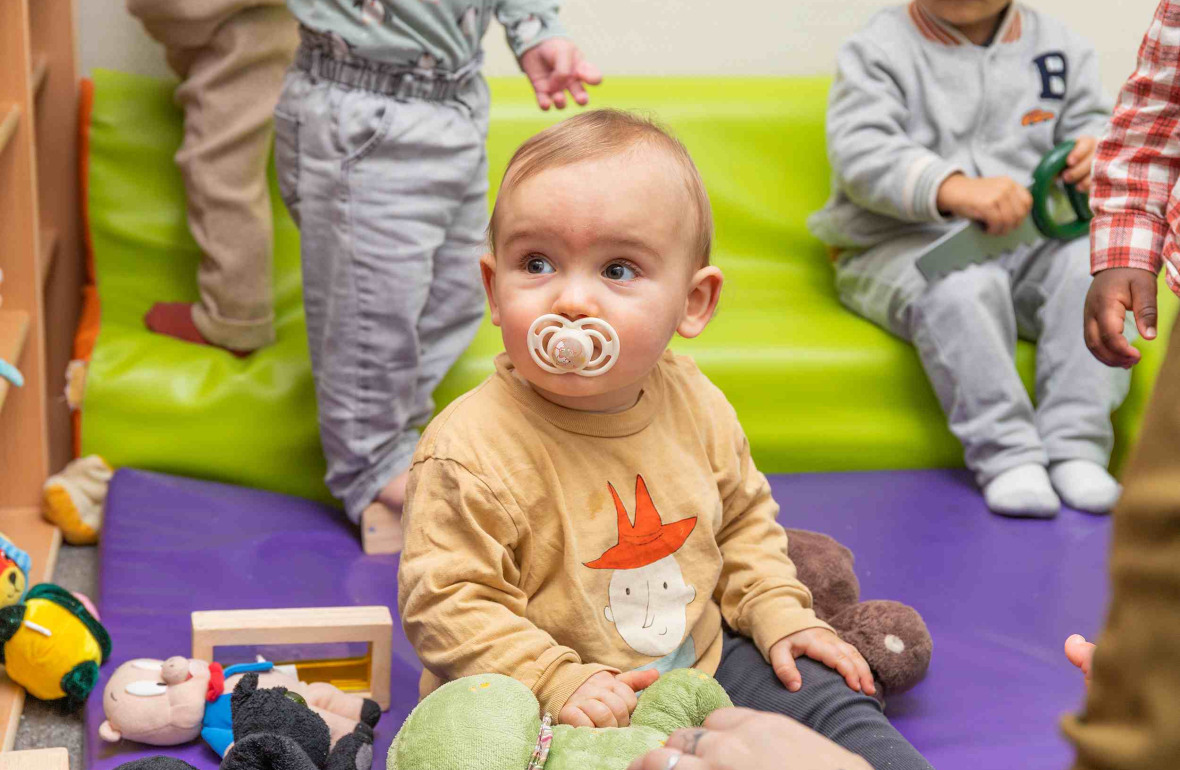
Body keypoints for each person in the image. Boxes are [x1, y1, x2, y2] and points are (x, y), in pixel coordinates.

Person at [397, 110, 932, 770]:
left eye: (618, 270)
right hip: (545, 694)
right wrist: (555, 678)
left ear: (693, 303)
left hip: (703, 654)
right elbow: (449, 602)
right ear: (493, 290)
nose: (570, 300)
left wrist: (777, 612)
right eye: (536, 263)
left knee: (821, 692)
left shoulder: (696, 401)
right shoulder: (467, 448)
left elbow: (742, 522)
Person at [273, 1, 602, 551]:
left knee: (458, 295)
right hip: (365, 103)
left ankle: (397, 440)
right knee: (372, 310)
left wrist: (535, 31)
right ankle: (370, 465)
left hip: (456, 99)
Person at [807, 0, 1130, 518]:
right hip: (899, 244)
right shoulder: (877, 51)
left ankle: (1077, 446)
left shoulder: (1061, 47)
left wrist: (1095, 149)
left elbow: (1092, 119)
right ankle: (1007, 454)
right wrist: (949, 186)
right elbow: (861, 150)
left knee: (1092, 269)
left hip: (1027, 240)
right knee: (965, 286)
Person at [127, 0, 298, 356]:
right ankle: (236, 313)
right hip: (242, 19)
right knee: (222, 160)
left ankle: (235, 319)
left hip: (247, 20)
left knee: (221, 167)